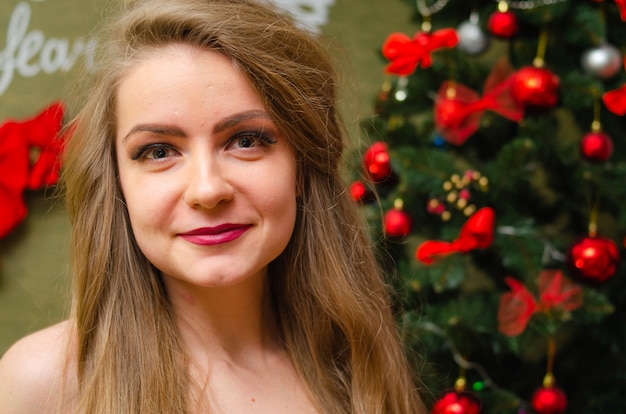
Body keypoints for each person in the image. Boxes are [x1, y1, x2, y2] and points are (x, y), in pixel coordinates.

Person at [0, 0, 428, 412]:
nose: (207, 190)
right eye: (158, 151)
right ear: (116, 184)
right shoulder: (42, 384)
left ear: (302, 165)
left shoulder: (358, 361)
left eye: (246, 141)